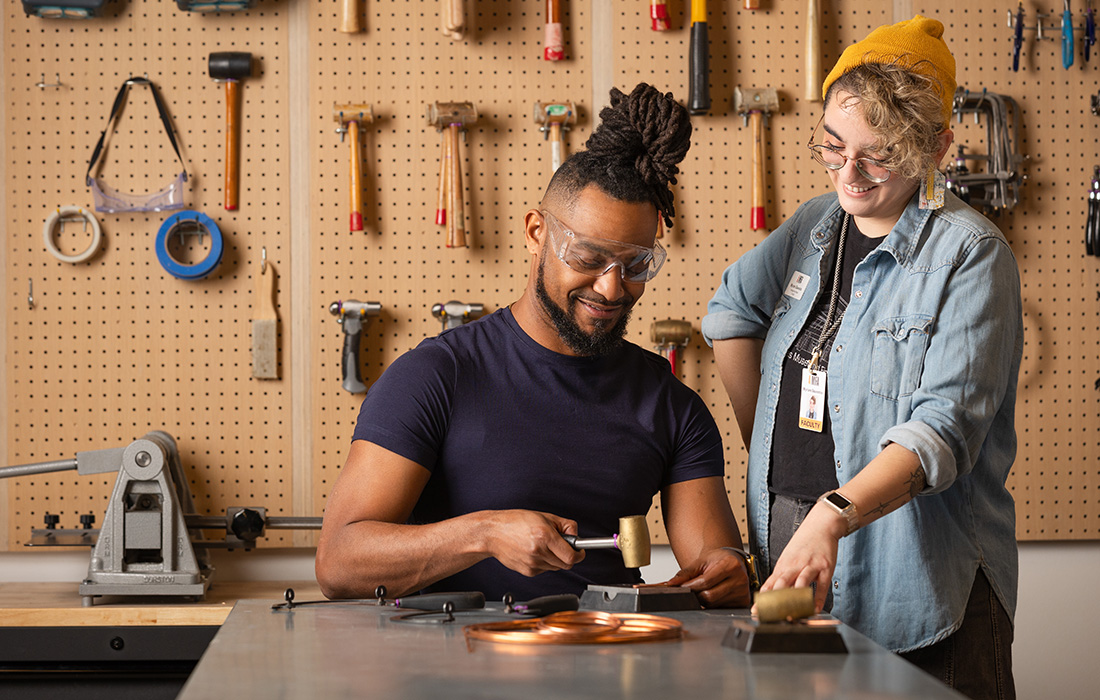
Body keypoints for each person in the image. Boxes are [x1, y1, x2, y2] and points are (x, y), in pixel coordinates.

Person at [316, 83, 752, 609]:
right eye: (589, 258)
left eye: (636, 265)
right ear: (535, 232)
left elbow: (715, 560)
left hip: (607, 664)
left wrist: (729, 572)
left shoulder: (670, 405)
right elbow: (338, 564)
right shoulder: (435, 377)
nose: (612, 289)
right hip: (453, 666)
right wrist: (482, 534)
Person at [701, 16, 1020, 700]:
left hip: (917, 576)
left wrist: (832, 514)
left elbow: (941, 432)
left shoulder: (971, 253)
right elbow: (730, 311)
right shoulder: (814, 225)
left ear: (936, 147)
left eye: (879, 155)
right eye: (834, 145)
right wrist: (767, 438)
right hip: (790, 547)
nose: (850, 173)